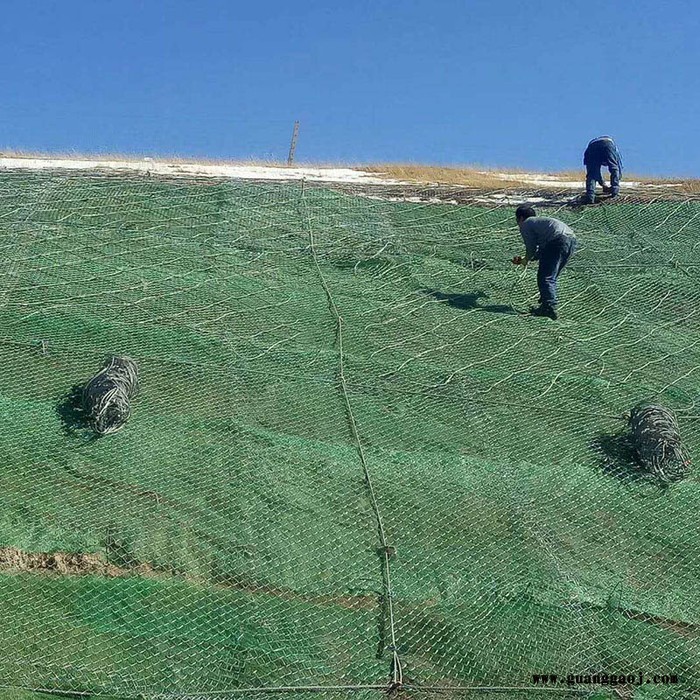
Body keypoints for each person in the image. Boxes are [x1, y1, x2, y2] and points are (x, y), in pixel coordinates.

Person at [511, 205, 577, 320]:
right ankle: (546, 301)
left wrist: (525, 260)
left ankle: (548, 307)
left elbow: (531, 247)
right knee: (552, 276)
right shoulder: (539, 223)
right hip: (571, 240)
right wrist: (526, 259)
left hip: (557, 241)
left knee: (546, 277)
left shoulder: (526, 224)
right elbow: (542, 251)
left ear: (521, 218)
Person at [582, 135, 623, 204]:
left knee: (591, 174)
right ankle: (615, 192)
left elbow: (594, 173)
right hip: (607, 143)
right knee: (614, 168)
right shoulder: (614, 151)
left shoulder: (592, 151)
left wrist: (603, 184)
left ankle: (590, 197)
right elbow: (617, 168)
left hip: (592, 147)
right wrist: (614, 186)